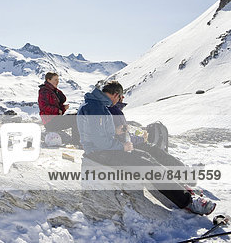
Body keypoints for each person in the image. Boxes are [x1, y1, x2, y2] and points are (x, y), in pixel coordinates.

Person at [77, 81, 216, 215]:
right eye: (119, 97)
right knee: (146, 165)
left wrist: (115, 131)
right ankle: (188, 202)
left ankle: (179, 188)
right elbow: (99, 142)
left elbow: (97, 132)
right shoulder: (96, 108)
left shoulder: (96, 104)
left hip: (102, 150)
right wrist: (122, 146)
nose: (118, 101)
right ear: (115, 95)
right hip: (99, 153)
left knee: (146, 156)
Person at [109, 97, 184, 168]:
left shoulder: (108, 109)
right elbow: (125, 137)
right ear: (116, 96)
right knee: (154, 151)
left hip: (118, 146)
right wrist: (142, 139)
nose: (123, 97)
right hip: (123, 148)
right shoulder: (116, 112)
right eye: (121, 95)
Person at [38, 72, 80, 146]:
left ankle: (77, 141)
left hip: (55, 119)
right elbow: (43, 107)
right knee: (75, 118)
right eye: (55, 80)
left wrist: (63, 108)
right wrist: (58, 110)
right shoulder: (44, 91)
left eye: (58, 80)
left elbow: (58, 110)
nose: (57, 82)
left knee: (77, 116)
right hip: (50, 122)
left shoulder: (53, 91)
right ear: (48, 80)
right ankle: (76, 142)